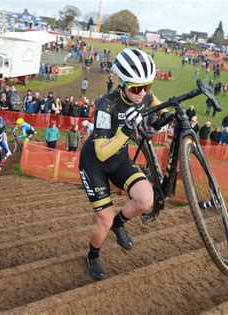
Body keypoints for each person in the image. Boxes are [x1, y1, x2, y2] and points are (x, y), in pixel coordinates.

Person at [79, 48, 167, 280]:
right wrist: (125, 131)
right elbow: (101, 151)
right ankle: (93, 255)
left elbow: (161, 106)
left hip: (118, 158)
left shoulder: (143, 93)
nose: (142, 93)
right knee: (104, 219)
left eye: (147, 86)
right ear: (121, 82)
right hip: (95, 162)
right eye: (136, 88)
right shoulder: (106, 105)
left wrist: (175, 114)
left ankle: (121, 224)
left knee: (145, 200)